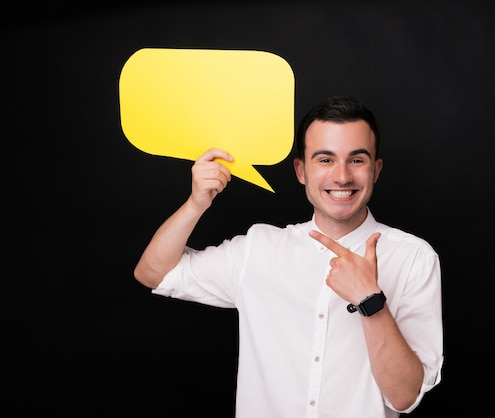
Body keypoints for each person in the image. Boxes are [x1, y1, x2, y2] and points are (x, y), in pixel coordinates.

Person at [134, 95, 444, 417]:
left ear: (376, 170)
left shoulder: (414, 258)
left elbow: (404, 396)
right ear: (301, 170)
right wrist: (196, 203)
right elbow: (153, 273)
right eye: (325, 160)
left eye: (356, 160)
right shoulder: (259, 249)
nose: (342, 176)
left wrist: (370, 301)